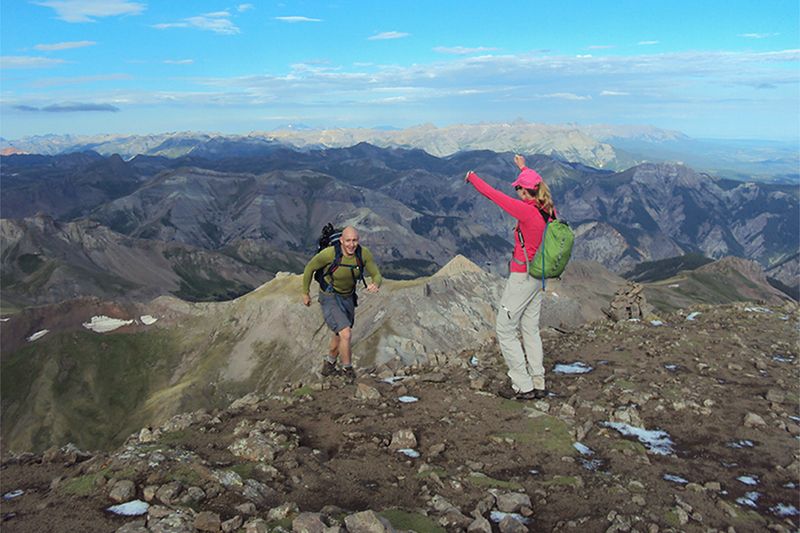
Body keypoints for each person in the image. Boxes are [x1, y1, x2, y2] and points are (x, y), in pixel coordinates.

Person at [465, 154, 556, 400]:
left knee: (504, 328)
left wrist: (472, 178)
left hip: (522, 277)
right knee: (529, 327)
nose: (516, 192)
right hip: (540, 276)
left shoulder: (526, 212)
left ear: (525, 192)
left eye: (518, 188)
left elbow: (494, 195)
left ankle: (522, 385)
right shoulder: (548, 208)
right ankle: (538, 382)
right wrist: (524, 168)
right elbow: (536, 184)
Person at [302, 226, 382, 381]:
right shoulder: (329, 254)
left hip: (348, 297)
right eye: (348, 241)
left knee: (339, 337)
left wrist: (376, 283)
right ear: (341, 241)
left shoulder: (363, 253)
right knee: (346, 333)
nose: (352, 245)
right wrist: (305, 293)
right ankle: (348, 371)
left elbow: (376, 273)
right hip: (329, 296)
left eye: (355, 240)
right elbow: (309, 268)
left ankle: (329, 365)